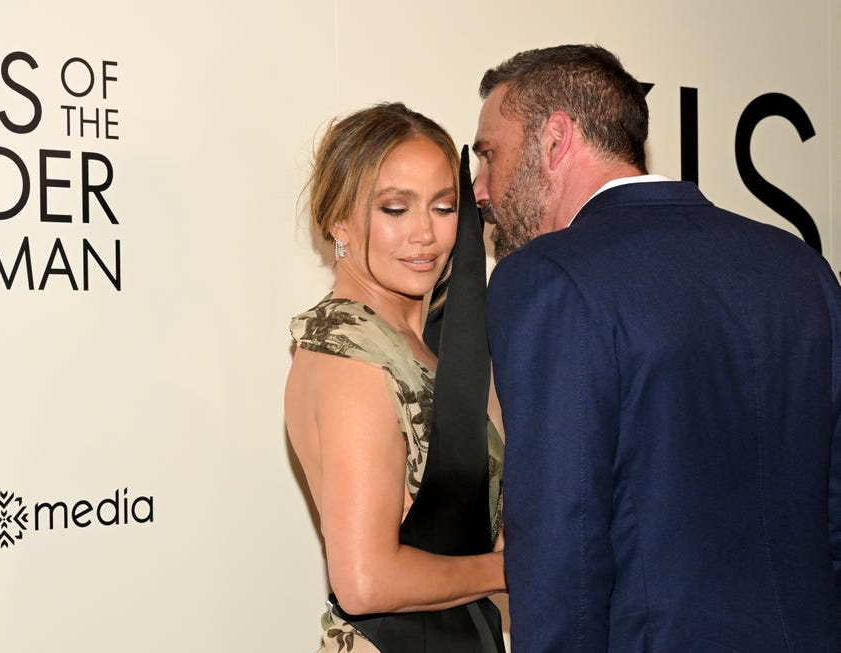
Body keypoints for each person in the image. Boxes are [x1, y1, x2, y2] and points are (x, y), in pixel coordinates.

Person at [473, 44, 841, 652]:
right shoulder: (802, 270)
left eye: (489, 154)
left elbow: (561, 546)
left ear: (555, 139)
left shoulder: (547, 278)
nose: (480, 188)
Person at [285, 102, 507, 652]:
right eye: (395, 209)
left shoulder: (425, 344)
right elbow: (366, 582)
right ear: (339, 220)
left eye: (443, 206)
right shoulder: (353, 358)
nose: (425, 234)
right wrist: (509, 569)